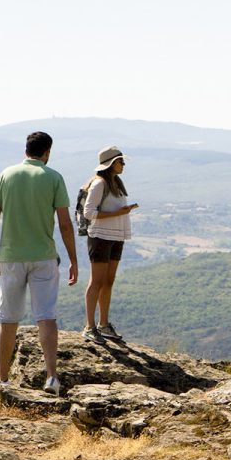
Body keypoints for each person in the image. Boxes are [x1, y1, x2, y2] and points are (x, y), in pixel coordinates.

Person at [0, 131, 78, 396]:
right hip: (44, 256)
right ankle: (51, 378)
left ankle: (2, 380)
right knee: (46, 315)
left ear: (26, 149)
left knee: (8, 318)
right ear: (47, 151)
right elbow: (64, 224)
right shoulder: (53, 177)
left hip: (11, 256)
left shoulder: (7, 175)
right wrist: (73, 259)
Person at [80, 146, 139, 344]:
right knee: (96, 282)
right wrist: (119, 213)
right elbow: (89, 213)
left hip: (115, 237)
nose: (123, 165)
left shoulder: (115, 182)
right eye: (121, 161)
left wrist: (121, 212)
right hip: (100, 237)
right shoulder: (99, 184)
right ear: (111, 163)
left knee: (108, 282)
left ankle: (103, 324)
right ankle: (90, 326)